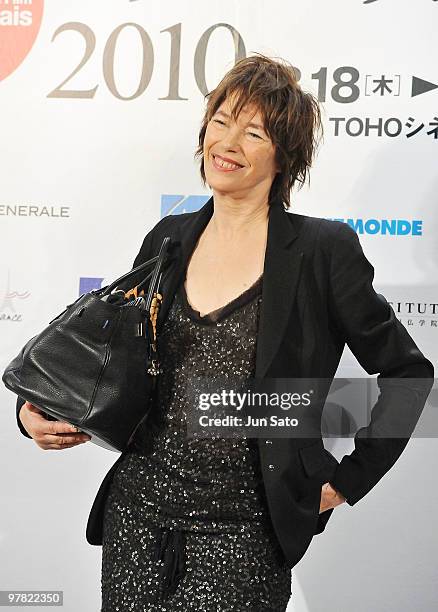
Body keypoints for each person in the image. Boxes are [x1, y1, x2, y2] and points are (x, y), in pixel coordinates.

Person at [16, 54, 434, 611]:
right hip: (139, 518)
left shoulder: (321, 251)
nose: (228, 142)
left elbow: (409, 373)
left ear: (284, 156)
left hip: (247, 537)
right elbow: (111, 363)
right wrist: (34, 414)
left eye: (253, 131)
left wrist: (349, 481)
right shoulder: (167, 239)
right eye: (221, 121)